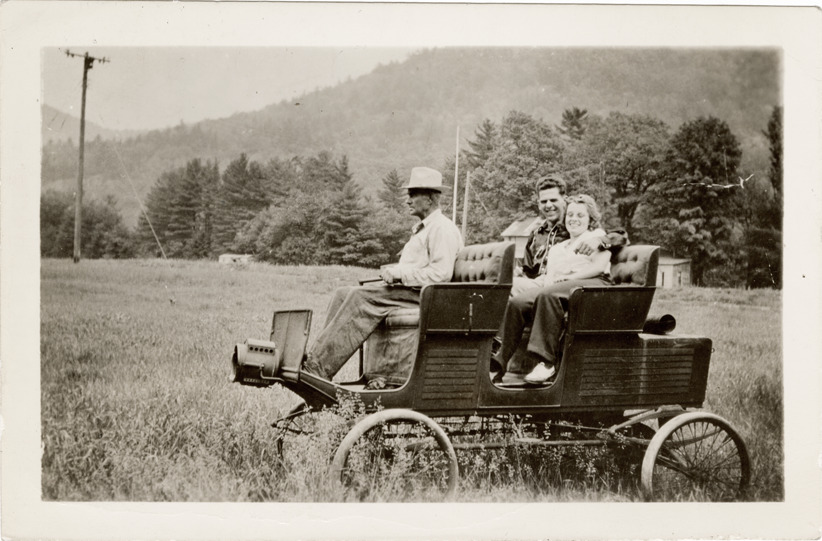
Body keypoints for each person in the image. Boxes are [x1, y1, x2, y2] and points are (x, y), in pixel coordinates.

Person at [301, 167, 463, 384]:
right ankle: (315, 361)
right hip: (412, 292)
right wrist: (397, 274)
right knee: (343, 293)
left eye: (413, 194)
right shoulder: (425, 228)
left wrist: (400, 274)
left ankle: (317, 369)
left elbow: (441, 274)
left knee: (360, 297)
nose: (408, 200)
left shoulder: (442, 229)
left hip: (427, 297)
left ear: (430, 198)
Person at [494, 194, 612, 385]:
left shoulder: (595, 237)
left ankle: (546, 362)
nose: (574, 219)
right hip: (561, 289)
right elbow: (549, 280)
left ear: (590, 219)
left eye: (580, 215)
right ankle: (498, 363)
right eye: (570, 215)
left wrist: (571, 278)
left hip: (593, 285)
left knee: (548, 294)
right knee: (518, 302)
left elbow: (599, 267)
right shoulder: (559, 247)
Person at [512, 174, 627, 296]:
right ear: (539, 204)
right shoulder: (536, 234)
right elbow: (528, 270)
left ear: (564, 201)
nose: (548, 205)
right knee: (509, 285)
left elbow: (620, 236)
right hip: (540, 283)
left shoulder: (577, 228)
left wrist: (600, 240)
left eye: (553, 200)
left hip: (565, 285)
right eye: (544, 201)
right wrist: (521, 274)